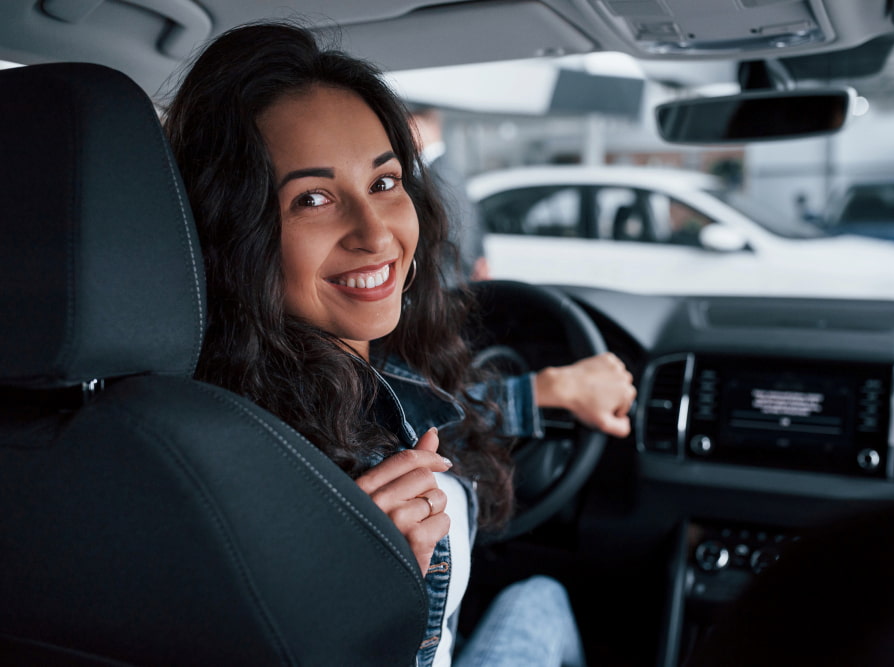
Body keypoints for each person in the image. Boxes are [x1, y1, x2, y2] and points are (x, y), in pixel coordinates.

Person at [163, 20, 637, 667]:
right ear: (233, 231)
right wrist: (358, 593)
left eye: (384, 183)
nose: (376, 234)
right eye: (314, 198)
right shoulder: (255, 478)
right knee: (544, 598)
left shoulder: (277, 384)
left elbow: (431, 410)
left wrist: (549, 390)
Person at [408, 103, 491, 284]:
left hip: (444, 282)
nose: (405, 134)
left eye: (410, 126)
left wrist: (446, 282)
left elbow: (459, 232)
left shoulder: (441, 172)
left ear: (429, 127)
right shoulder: (435, 168)